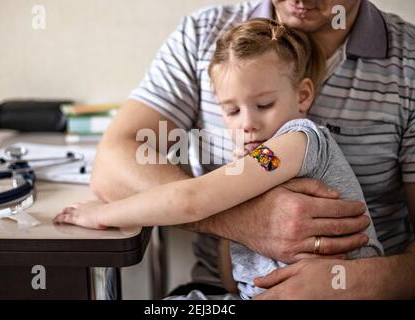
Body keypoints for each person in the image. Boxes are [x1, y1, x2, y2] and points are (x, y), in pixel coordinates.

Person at [88, 0, 415, 299]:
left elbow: (191, 200)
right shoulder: (204, 37)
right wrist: (240, 219)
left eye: (264, 104)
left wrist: (351, 281)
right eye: (230, 111)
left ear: (303, 96)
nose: (247, 124)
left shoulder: (296, 141)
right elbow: (112, 164)